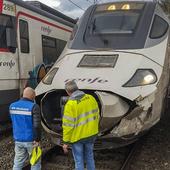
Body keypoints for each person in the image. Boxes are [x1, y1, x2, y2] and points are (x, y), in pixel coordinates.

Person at [62, 80, 99, 170]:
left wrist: (66, 142)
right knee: (90, 157)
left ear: (67, 92)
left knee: (79, 161)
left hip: (78, 138)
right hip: (91, 134)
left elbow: (68, 126)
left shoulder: (70, 104)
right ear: (77, 88)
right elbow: (97, 115)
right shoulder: (91, 98)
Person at [9, 87, 41, 170]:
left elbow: (15, 121)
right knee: (35, 162)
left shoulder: (12, 106)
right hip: (31, 140)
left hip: (18, 139)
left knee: (18, 163)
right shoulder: (34, 106)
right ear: (33, 96)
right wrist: (37, 139)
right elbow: (37, 125)